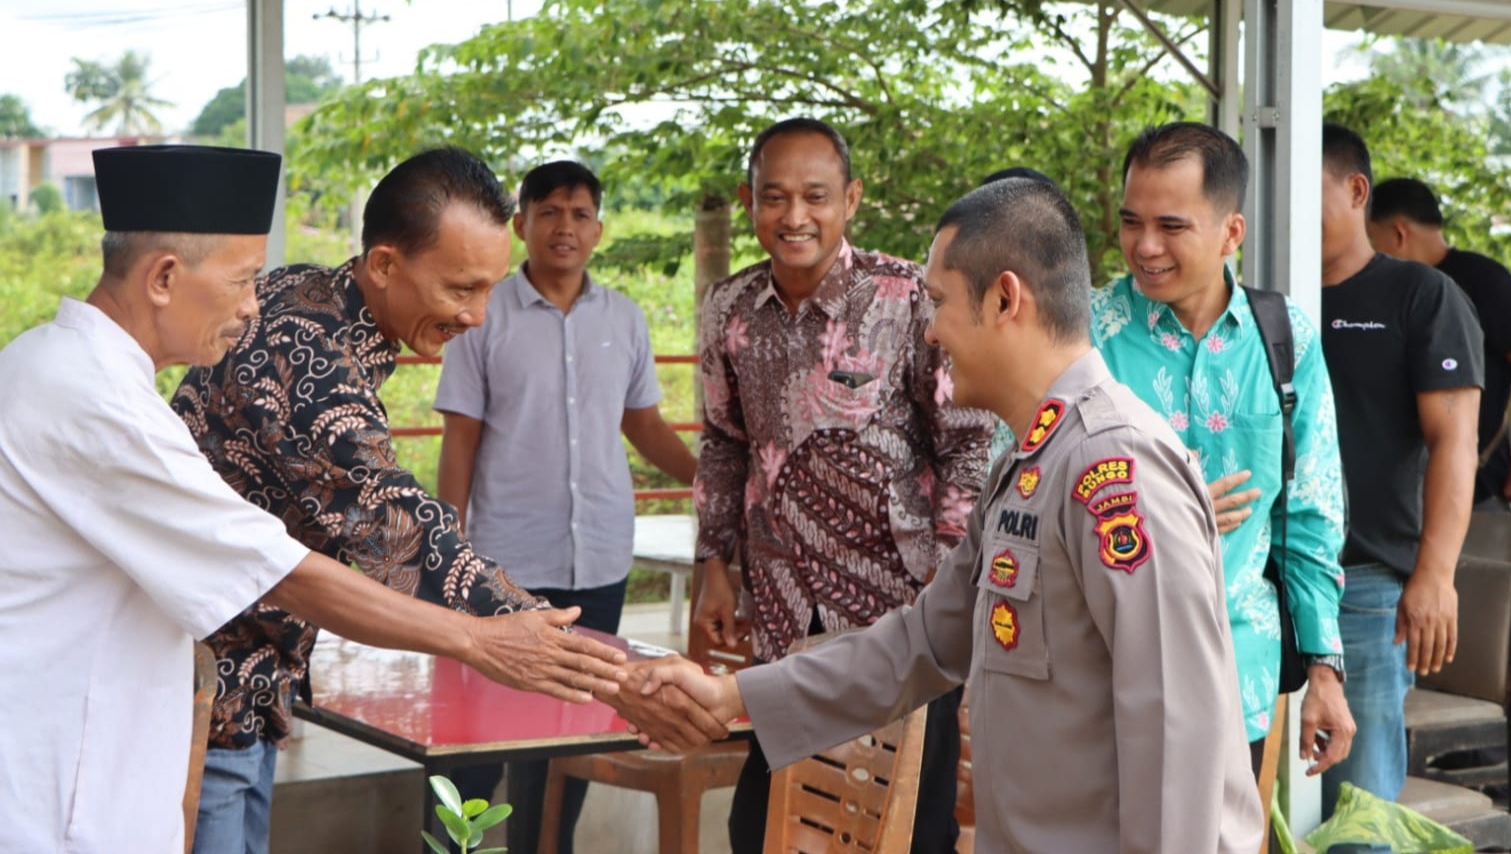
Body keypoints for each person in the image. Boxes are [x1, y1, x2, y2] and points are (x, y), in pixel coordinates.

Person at [0, 144, 635, 853]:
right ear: (165, 277)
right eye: (242, 281)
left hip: (191, 710)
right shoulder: (107, 396)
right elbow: (344, 542)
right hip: (89, 771)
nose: (250, 305)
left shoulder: (65, 364)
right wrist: (502, 640)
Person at [646, 177, 1266, 853]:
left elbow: (1176, 726)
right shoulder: (1029, 462)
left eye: (939, 302)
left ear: (1005, 299)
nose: (932, 329)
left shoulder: (1114, 470)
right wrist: (732, 696)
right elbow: (920, 642)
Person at [171, 147, 719, 854]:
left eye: (489, 289)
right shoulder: (308, 353)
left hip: (244, 682)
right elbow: (395, 526)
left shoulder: (313, 294)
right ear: (386, 266)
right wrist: (579, 659)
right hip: (208, 681)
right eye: (461, 288)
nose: (479, 315)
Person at [694, 117, 993, 854]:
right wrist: (714, 568)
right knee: (763, 830)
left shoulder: (905, 299)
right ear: (748, 200)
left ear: (850, 199)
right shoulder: (727, 311)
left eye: (816, 197)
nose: (794, 217)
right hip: (785, 610)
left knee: (906, 831)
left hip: (901, 616)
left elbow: (968, 442)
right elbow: (722, 444)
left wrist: (947, 582)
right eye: (774, 197)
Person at [434, 159, 698, 853]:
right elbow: (460, 438)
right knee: (480, 738)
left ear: (599, 230)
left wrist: (712, 481)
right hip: (505, 565)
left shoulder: (624, 318)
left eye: (580, 214)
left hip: (598, 560)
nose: (564, 227)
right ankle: (453, 845)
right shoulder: (482, 315)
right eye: (548, 212)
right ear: (520, 224)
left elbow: (643, 425)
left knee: (573, 730)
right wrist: (445, 549)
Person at [1093, 122, 1354, 773]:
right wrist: (1147, 506)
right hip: (1100, 687)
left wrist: (1324, 669)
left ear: (1230, 233)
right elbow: (1017, 492)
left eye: (1171, 226)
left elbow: (1307, 514)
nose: (1144, 246)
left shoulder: (1283, 336)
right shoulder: (1082, 335)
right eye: (1131, 222)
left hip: (1239, 683)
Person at [1319, 124, 1483, 818]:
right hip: (1258, 581)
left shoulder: (1419, 294)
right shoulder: (1260, 295)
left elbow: (1454, 440)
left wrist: (1433, 575)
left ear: (1357, 192)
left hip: (1367, 586)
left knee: (1356, 807)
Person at [1368, 176, 1511, 508]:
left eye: (1373, 239)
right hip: (1406, 490)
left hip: (1482, 487)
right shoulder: (1393, 292)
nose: (1371, 254)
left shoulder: (1484, 280)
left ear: (1399, 233)